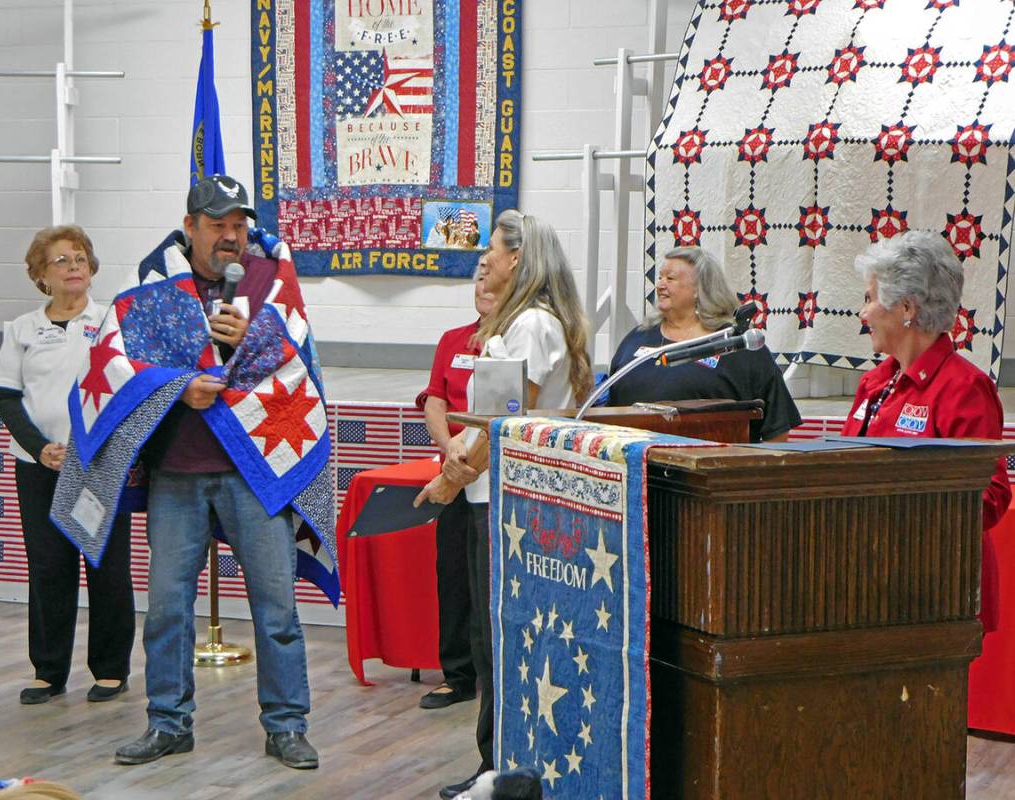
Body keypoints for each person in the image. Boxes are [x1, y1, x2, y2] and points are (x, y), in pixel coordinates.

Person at [113, 175, 322, 769]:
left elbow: (294, 359)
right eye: (217, 225)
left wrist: (249, 335)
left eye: (239, 224)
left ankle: (286, 725)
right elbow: (127, 365)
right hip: (178, 470)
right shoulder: (154, 285)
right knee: (167, 608)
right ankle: (167, 722)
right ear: (190, 227)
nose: (231, 236)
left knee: (275, 604)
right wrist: (180, 388)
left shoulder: (270, 278)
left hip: (255, 469)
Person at [415, 210, 593, 799]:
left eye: (493, 248)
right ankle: (499, 765)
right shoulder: (527, 323)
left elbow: (503, 425)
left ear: (519, 258)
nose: (484, 258)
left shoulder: (530, 327)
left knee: (501, 643)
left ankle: (500, 771)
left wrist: (450, 477)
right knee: (493, 639)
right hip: (497, 497)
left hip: (506, 504)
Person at [0, 225, 134, 706]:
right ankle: (48, 670)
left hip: (99, 462)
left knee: (106, 565)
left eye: (80, 258)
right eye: (61, 260)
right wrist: (39, 447)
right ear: (40, 275)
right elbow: (6, 397)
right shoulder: (22, 330)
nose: (73, 266)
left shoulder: (114, 325)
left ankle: (111, 670)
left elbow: (130, 391)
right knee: (49, 567)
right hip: (39, 466)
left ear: (91, 269)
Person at [841, 230, 1011, 631]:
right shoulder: (874, 383)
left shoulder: (963, 387)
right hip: (871, 579)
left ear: (906, 308)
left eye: (869, 299)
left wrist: (901, 504)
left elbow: (990, 496)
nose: (863, 314)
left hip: (935, 590)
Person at [606, 246, 801, 442]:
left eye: (670, 278)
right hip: (631, 460)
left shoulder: (737, 346)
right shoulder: (638, 337)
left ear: (699, 290)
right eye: (660, 277)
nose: (660, 285)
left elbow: (776, 428)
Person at [415, 274, 497, 710]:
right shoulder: (453, 339)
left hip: (492, 472)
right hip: (454, 470)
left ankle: (492, 673)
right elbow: (435, 401)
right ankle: (458, 674)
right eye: (478, 277)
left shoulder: (513, 337)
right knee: (452, 571)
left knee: (486, 580)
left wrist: (466, 452)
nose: (483, 283)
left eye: (491, 275)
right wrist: (451, 451)